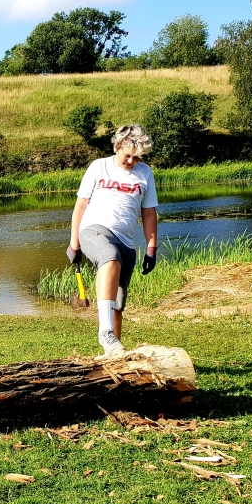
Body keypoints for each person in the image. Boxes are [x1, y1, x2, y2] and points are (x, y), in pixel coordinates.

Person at [67, 124, 158, 356]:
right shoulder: (99, 166)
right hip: (94, 230)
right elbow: (80, 206)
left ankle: (114, 356)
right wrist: (74, 242)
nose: (131, 161)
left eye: (136, 158)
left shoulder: (145, 173)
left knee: (117, 303)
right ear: (117, 147)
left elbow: (148, 213)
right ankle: (105, 333)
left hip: (126, 241)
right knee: (110, 257)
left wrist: (151, 247)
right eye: (127, 155)